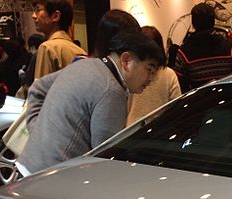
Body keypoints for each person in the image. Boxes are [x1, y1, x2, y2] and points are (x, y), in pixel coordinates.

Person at [18, 31, 163, 176]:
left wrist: (38, 132)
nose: (151, 79)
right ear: (126, 61)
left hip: (28, 166)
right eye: (149, 69)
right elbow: (105, 159)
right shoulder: (112, 91)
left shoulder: (85, 64)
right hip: (53, 179)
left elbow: (38, 88)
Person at [173, 2, 232, 92]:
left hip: (198, 103)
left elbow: (182, 88)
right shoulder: (230, 48)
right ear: (213, 22)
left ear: (193, 23)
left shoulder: (184, 53)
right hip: (228, 102)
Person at [127, 26, 181, 126]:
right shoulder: (169, 74)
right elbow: (177, 108)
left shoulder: (130, 72)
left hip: (131, 131)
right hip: (161, 131)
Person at [32, 0, 86, 80]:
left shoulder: (47, 48)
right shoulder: (80, 51)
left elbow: (41, 90)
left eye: (38, 10)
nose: (33, 16)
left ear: (56, 16)